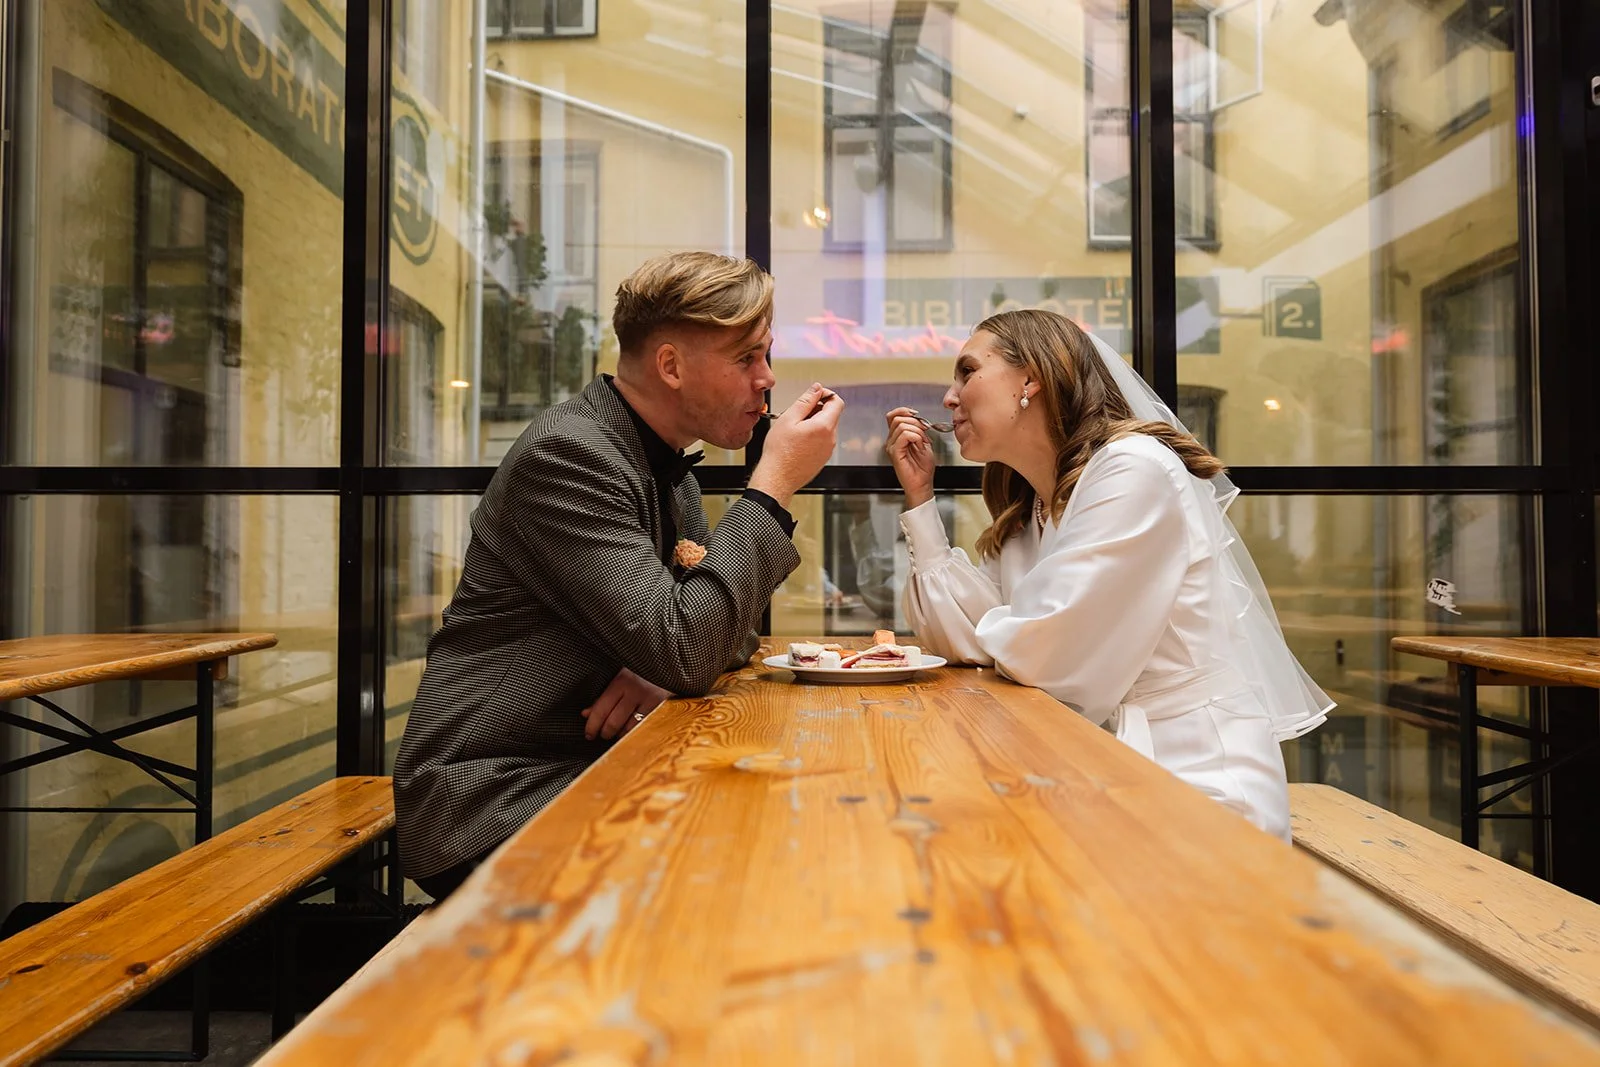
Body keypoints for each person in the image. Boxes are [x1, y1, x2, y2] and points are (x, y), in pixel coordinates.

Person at [394, 251, 842, 900]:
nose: (767, 379)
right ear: (671, 366)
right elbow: (692, 643)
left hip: (585, 767)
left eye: (765, 356)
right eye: (747, 357)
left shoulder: (665, 466)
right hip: (491, 795)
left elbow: (717, 625)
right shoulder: (569, 454)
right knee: (753, 842)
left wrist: (662, 657)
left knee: (780, 809)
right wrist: (772, 486)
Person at [884, 309, 1329, 840]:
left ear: (1031, 379)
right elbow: (961, 637)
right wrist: (921, 499)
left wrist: (1010, 634)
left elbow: (1049, 656)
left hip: (1194, 776)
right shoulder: (1032, 512)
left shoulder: (1133, 470)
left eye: (967, 372)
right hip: (1093, 759)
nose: (949, 397)